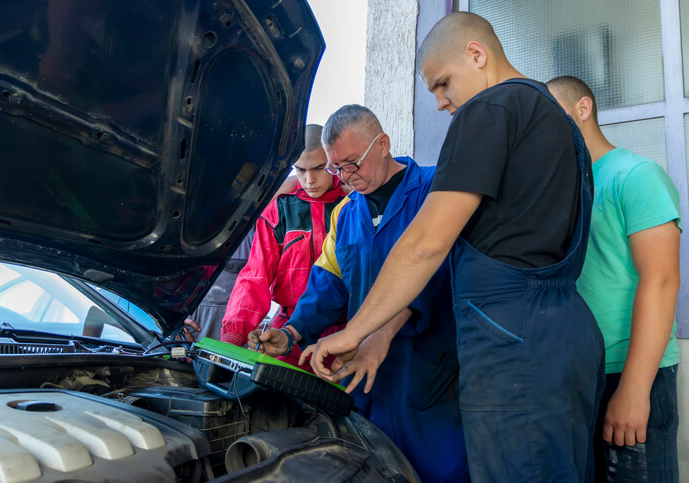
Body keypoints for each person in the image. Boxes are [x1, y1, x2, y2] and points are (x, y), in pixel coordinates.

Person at [300, 13, 605, 482]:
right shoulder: (558, 120)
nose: (442, 103)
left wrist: (351, 333)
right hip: (563, 337)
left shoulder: (492, 107)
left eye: (443, 84)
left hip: (513, 342)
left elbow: (426, 243)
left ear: (477, 55)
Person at [249, 105, 468, 482]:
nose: (345, 176)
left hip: (430, 373)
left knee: (438, 469)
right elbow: (328, 283)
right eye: (337, 168)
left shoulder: (436, 192)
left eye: (352, 163)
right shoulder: (346, 213)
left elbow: (442, 272)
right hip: (365, 379)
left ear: (382, 144)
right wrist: (291, 333)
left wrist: (380, 335)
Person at [547, 75, 682, 483]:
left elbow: (661, 281)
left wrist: (635, 389)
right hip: (578, 375)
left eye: (550, 115)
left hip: (632, 373)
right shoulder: (563, 189)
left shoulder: (636, 175)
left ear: (582, 110)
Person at [218, 124, 346, 370]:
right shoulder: (278, 210)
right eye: (300, 170)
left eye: (319, 168)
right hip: (287, 335)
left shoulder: (353, 204)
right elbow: (255, 275)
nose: (309, 180)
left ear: (333, 158)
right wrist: (234, 334)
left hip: (345, 334)